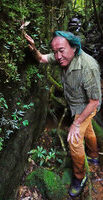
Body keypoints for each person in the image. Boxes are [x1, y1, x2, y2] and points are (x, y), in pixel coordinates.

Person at [25, 31, 102, 197]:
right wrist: (34, 49)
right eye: (55, 52)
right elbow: (41, 59)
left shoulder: (88, 67)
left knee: (74, 140)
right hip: (75, 104)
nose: (58, 56)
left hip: (88, 106)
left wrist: (75, 123)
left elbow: (94, 101)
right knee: (88, 131)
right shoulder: (61, 56)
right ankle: (94, 156)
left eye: (61, 50)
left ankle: (80, 177)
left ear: (74, 48)